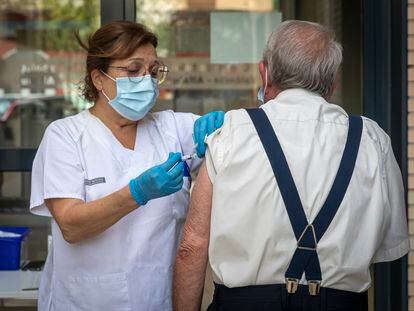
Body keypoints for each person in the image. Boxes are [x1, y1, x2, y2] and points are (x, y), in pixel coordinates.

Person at [173, 20, 409, 311]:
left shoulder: (231, 134)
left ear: (265, 72)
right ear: (334, 81)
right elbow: (389, 248)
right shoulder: (373, 140)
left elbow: (191, 247)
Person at [29, 21, 224, 311]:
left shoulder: (173, 128)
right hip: (83, 300)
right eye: (133, 70)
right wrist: (137, 192)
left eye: (153, 71)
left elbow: (250, 139)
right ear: (98, 78)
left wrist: (228, 125)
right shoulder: (66, 136)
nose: (147, 80)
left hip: (157, 299)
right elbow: (71, 225)